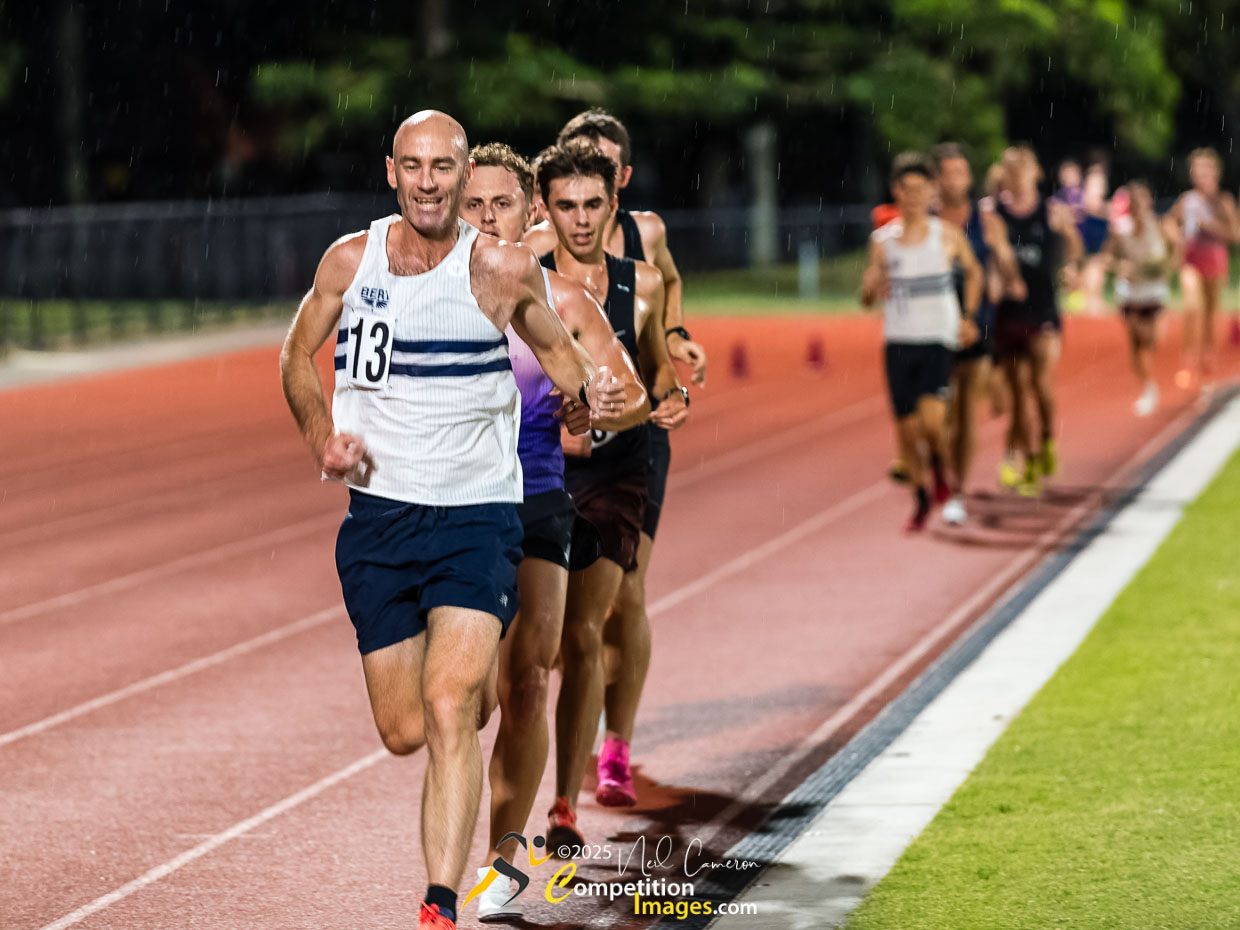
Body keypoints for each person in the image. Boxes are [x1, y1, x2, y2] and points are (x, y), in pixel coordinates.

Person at [278, 111, 624, 930]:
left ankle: (440, 902)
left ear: (467, 176)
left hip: (477, 516)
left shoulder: (501, 270)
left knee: (448, 705)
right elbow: (295, 354)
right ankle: (463, 726)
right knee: (407, 728)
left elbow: (565, 360)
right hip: (379, 521)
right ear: (390, 171)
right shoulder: (348, 262)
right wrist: (321, 435)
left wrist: (592, 402)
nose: (430, 181)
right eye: (415, 165)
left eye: (445, 166)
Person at [457, 142, 650, 922]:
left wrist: (602, 407)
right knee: (460, 701)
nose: (487, 218)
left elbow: (623, 386)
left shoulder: (562, 301)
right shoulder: (413, 291)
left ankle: (504, 859)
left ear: (526, 206)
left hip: (537, 494)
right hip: (453, 502)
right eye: (474, 205)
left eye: (501, 204)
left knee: (531, 676)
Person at [533, 139, 689, 847]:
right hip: (539, 469)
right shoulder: (523, 277)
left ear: (613, 203)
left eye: (593, 204)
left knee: (586, 625)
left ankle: (569, 801)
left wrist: (672, 391)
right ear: (546, 211)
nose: (581, 219)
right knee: (536, 644)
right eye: (566, 206)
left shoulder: (644, 283)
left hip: (620, 467)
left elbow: (659, 369)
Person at [861, 152, 982, 531]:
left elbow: (975, 272)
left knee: (932, 423)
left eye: (920, 189)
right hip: (898, 340)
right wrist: (868, 289)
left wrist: (968, 317)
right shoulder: (883, 241)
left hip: (937, 338)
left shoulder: (946, 235)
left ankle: (941, 471)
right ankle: (921, 497)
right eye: (906, 189)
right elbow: (868, 296)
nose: (913, 196)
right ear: (896, 191)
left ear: (931, 191)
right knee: (907, 431)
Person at [932, 143, 1021, 526]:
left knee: (967, 411)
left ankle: (957, 490)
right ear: (936, 178)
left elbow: (1003, 258)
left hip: (976, 325)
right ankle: (938, 466)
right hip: (931, 329)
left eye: (962, 173)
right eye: (949, 173)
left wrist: (1007, 273)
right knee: (938, 416)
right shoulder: (924, 221)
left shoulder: (985, 221)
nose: (957, 180)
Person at [992, 145, 1083, 497]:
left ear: (1036, 173)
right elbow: (992, 254)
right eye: (1009, 168)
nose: (1015, 175)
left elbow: (1072, 249)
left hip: (1043, 310)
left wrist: (1070, 267)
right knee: (1016, 393)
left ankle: (1046, 440)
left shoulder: (1051, 212)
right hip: (1010, 315)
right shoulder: (995, 213)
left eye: (1022, 168)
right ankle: (1026, 459)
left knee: (1040, 383)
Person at [1103, 180, 1179, 416]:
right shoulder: (1120, 228)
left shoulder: (1159, 225)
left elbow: (1177, 249)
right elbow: (1107, 257)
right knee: (1136, 344)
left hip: (1153, 292)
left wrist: (1166, 268)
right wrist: (1119, 267)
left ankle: (1149, 387)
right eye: (1133, 201)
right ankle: (1148, 387)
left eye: (1141, 200)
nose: (1137, 206)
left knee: (1146, 341)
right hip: (1130, 292)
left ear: (1149, 202)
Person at [1169, 148, 1239, 391]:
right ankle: (1188, 356)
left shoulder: (1224, 201)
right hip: (1191, 260)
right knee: (1191, 303)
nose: (1202, 176)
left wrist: (1209, 224)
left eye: (1206, 170)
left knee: (1210, 311)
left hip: (1215, 260)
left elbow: (1235, 234)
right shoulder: (1187, 201)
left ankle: (1208, 354)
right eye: (1197, 171)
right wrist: (1175, 236)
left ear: (1215, 173)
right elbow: (1168, 221)